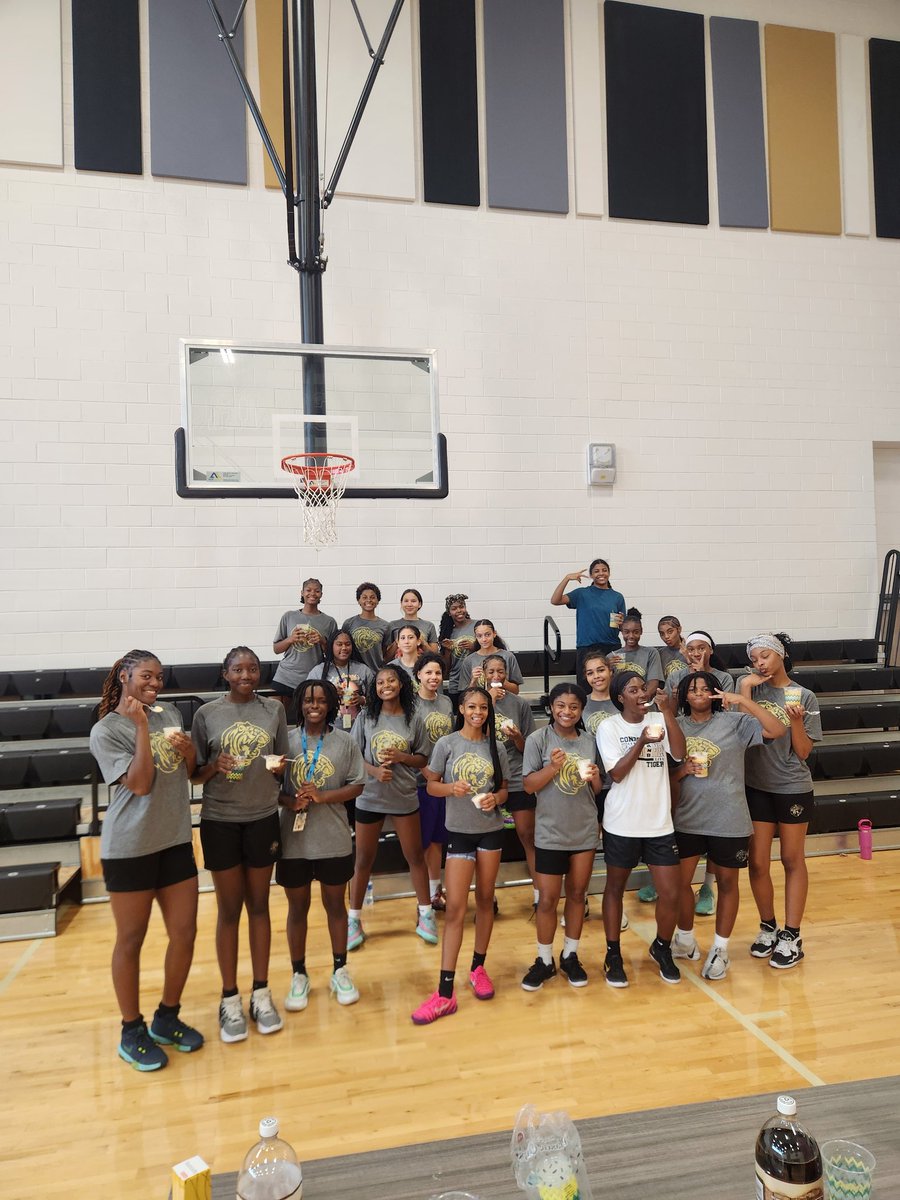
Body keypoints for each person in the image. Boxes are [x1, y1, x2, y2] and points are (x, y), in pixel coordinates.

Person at [90, 650, 203, 1072]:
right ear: (124, 676)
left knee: (185, 933)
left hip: (173, 840)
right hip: (129, 847)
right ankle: (130, 1028)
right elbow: (139, 784)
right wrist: (140, 725)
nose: (155, 684)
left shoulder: (169, 711)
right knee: (131, 940)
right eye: (145, 676)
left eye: (159, 677)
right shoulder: (107, 730)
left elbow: (189, 772)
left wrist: (190, 749)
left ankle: (166, 1017)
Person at [191, 647, 289, 1042]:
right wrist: (215, 765)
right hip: (220, 821)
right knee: (229, 911)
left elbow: (282, 760)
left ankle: (261, 992)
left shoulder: (274, 711)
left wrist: (281, 767)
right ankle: (229, 996)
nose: (246, 674)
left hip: (263, 818)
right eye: (238, 669)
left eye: (251, 668)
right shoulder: (206, 714)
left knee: (260, 905)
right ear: (225, 673)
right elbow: (194, 774)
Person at [669, 672, 786, 980]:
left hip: (729, 819)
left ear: (717, 694)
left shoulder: (736, 722)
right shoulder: (676, 726)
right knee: (679, 883)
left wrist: (744, 701)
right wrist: (682, 771)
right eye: (693, 689)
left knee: (727, 884)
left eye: (706, 689)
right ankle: (684, 938)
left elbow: (776, 729)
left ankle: (720, 949)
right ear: (683, 694)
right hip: (686, 818)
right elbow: (665, 774)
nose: (699, 693)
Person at [411, 686, 510, 1023]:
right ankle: (444, 991)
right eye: (472, 706)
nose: (478, 712)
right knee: (454, 908)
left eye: (483, 707)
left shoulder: (495, 745)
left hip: (491, 832)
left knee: (485, 900)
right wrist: (451, 789)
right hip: (459, 834)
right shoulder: (447, 744)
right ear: (462, 708)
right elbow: (431, 785)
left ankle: (478, 967)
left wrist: (496, 799)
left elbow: (505, 789)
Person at [276, 679, 366, 1012]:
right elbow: (271, 788)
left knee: (335, 906)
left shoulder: (344, 741)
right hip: (293, 840)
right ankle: (299, 973)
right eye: (308, 699)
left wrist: (323, 796)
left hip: (333, 837)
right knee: (297, 908)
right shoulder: (284, 740)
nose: (314, 705)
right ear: (299, 703)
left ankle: (340, 968)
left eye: (321, 700)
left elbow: (357, 785)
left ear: (331, 704)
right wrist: (289, 801)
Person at [597, 671, 686, 988]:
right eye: (633, 689)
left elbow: (679, 753)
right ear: (621, 697)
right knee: (615, 890)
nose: (641, 692)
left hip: (659, 822)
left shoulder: (659, 719)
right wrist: (641, 741)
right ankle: (613, 953)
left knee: (671, 893)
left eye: (643, 687)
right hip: (622, 822)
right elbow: (617, 774)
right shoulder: (609, 727)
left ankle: (661, 947)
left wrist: (667, 713)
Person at [740, 633, 822, 969]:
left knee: (791, 858)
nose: (760, 663)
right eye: (755, 658)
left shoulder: (805, 695)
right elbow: (742, 732)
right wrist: (745, 689)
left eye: (765, 656)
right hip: (756, 786)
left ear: (780, 655)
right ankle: (767, 927)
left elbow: (803, 752)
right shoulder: (752, 689)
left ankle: (792, 935)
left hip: (791, 786)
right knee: (757, 862)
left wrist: (798, 721)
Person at [640, 630, 735, 913]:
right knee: (674, 816)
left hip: (713, 749)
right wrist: (687, 679)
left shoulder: (724, 678)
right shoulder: (675, 676)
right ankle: (663, 880)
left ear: (711, 650)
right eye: (691, 648)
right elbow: (668, 707)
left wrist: (702, 678)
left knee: (714, 825)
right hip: (680, 741)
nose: (696, 652)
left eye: (702, 648)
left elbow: (725, 714)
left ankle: (707, 885)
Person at [347, 664, 437, 948]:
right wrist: (374, 772)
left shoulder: (414, 719)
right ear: (374, 689)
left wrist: (401, 757)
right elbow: (353, 758)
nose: (386, 685)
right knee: (363, 860)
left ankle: (425, 914)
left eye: (391, 680)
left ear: (402, 684)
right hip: (370, 798)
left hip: (403, 796)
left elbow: (423, 758)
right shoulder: (365, 717)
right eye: (380, 682)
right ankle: (353, 919)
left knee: (414, 857)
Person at [520, 683, 604, 990]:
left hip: (583, 829)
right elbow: (529, 785)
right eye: (561, 706)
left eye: (573, 707)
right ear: (550, 707)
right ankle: (544, 960)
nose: (567, 712)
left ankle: (570, 955)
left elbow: (596, 791)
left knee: (578, 896)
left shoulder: (590, 741)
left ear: (581, 711)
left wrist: (595, 779)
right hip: (550, 832)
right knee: (547, 900)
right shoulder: (537, 739)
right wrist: (553, 768)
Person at [482, 654, 537, 903]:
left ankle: (539, 894)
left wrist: (516, 737)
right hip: (485, 779)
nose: (496, 677)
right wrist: (488, 704)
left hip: (515, 777)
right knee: (486, 842)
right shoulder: (474, 702)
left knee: (528, 835)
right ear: (483, 674)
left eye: (500, 672)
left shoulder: (519, 704)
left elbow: (528, 748)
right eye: (491, 672)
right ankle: (487, 897)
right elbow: (472, 738)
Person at [413, 652, 455, 910]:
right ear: (418, 674)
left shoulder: (448, 703)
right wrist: (427, 771)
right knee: (424, 841)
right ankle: (426, 895)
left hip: (444, 781)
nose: (433, 677)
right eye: (428, 672)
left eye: (438, 673)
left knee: (440, 839)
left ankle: (437, 891)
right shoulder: (409, 705)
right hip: (420, 781)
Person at [550, 559, 626, 687]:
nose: (601, 573)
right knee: (586, 688)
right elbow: (555, 600)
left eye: (604, 570)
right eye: (596, 571)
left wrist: (622, 623)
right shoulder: (582, 593)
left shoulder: (617, 597)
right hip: (587, 647)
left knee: (614, 686)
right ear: (591, 575)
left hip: (612, 646)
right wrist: (567, 578)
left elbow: (623, 627)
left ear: (609, 573)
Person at [271, 578, 338, 705]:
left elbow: (332, 656)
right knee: (274, 715)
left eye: (317, 591)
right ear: (302, 593)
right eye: (308, 590)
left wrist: (322, 641)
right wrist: (291, 639)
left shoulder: (329, 621)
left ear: (321, 595)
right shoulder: (289, 616)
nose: (312, 593)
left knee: (309, 718)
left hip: (312, 677)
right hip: (285, 675)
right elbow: (276, 649)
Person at [306, 629, 373, 730]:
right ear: (331, 646)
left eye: (347, 644)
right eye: (339, 644)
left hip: (360, 728)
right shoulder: (319, 671)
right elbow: (306, 697)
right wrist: (329, 692)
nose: (344, 648)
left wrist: (362, 700)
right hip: (329, 729)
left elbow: (377, 699)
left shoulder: (363, 670)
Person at [607, 608, 664, 702]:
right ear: (621, 631)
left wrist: (642, 699)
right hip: (622, 707)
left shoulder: (651, 653)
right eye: (626, 632)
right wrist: (607, 668)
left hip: (645, 704)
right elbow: (608, 687)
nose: (631, 636)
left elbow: (653, 683)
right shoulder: (611, 657)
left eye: (636, 632)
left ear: (641, 631)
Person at [457, 619, 524, 694]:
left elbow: (516, 691)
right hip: (480, 704)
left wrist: (501, 680)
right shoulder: (469, 660)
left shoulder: (508, 657)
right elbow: (465, 696)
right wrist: (473, 681)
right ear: (475, 637)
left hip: (503, 703)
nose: (484, 639)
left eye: (487, 634)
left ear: (494, 633)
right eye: (479, 636)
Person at [341, 582, 390, 673]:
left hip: (376, 672)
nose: (369, 600)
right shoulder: (349, 623)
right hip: (352, 673)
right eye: (364, 597)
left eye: (372, 597)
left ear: (377, 600)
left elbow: (384, 652)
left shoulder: (385, 626)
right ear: (358, 600)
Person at [438, 593, 479, 702]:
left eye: (461, 607)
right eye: (454, 608)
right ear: (449, 613)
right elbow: (446, 668)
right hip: (456, 683)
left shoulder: (477, 625)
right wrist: (447, 649)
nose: (459, 611)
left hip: (478, 681)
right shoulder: (448, 632)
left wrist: (474, 646)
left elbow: (489, 649)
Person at [384, 589, 439, 656]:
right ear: (401, 604)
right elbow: (386, 657)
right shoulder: (392, 625)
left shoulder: (429, 625)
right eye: (406, 601)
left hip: (422, 665)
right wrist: (397, 640)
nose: (409, 604)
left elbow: (435, 656)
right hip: (399, 665)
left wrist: (423, 642)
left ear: (419, 604)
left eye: (413, 601)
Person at [582, 653, 617, 736]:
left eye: (601, 670)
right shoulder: (581, 703)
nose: (596, 676)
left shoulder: (623, 700)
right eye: (590, 673)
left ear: (610, 671)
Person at [657, 616, 688, 683]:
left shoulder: (692, 650)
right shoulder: (659, 653)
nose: (666, 636)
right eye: (662, 634)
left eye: (670, 632)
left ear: (679, 630)